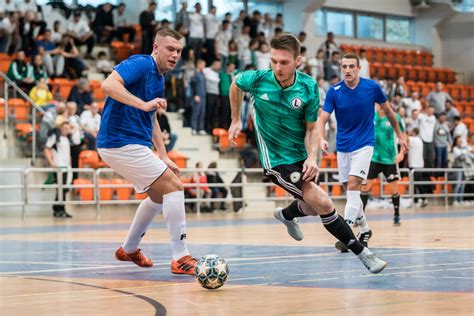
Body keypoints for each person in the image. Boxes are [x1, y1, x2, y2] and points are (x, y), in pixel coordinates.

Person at [228, 33, 387, 274]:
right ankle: (363, 253)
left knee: (312, 207)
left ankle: (285, 214)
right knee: (323, 202)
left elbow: (313, 128)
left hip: (300, 156)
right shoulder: (258, 80)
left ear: (298, 61)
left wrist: (312, 157)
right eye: (274, 61)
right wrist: (234, 120)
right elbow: (235, 84)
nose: (277, 67)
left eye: (284, 62)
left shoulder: (308, 87)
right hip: (275, 160)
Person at [97, 28, 197, 275]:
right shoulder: (141, 63)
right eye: (170, 49)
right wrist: (143, 103)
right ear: (156, 47)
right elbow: (108, 85)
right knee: (174, 187)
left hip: (132, 144)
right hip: (118, 142)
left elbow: (151, 117)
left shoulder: (159, 78)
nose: (175, 55)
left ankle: (129, 249)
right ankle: (180, 256)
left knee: (159, 196)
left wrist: (163, 155)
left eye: (179, 51)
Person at [317, 52, 408, 251]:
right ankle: (365, 230)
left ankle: (346, 234)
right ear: (341, 68)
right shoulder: (334, 91)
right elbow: (322, 118)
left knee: (353, 185)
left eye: (351, 66)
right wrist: (322, 137)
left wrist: (400, 136)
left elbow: (390, 113)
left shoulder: (372, 87)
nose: (348, 70)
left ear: (358, 68)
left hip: (365, 145)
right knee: (351, 191)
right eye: (344, 67)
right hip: (343, 147)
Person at [360, 103, 406, 229]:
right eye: (377, 103)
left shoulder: (394, 117)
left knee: (393, 189)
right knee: (365, 187)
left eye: (382, 103)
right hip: (374, 158)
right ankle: (361, 216)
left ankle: (397, 215)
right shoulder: (371, 117)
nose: (380, 106)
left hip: (390, 158)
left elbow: (403, 135)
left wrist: (402, 153)